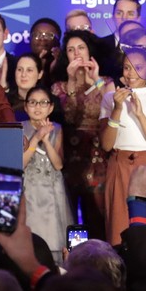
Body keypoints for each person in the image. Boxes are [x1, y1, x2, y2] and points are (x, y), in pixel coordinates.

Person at [99, 48, 146, 246]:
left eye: (138, 67)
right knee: (118, 227)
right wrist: (117, 108)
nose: (131, 73)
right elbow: (106, 144)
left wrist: (139, 114)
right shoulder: (110, 98)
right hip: (119, 164)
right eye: (127, 68)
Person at [50, 30, 115, 240]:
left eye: (81, 48)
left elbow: (113, 109)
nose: (76, 53)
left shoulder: (106, 81)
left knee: (97, 215)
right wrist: (71, 81)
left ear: (89, 51)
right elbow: (70, 117)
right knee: (69, 217)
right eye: (71, 49)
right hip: (70, 155)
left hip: (99, 155)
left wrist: (96, 81)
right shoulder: (58, 86)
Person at [22, 85, 71, 262]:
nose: (38, 107)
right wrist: (36, 138)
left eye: (43, 103)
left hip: (52, 189)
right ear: (26, 106)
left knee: (54, 233)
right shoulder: (20, 128)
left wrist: (46, 140)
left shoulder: (56, 128)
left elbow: (58, 164)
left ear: (50, 107)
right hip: (30, 190)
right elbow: (21, 163)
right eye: (33, 102)